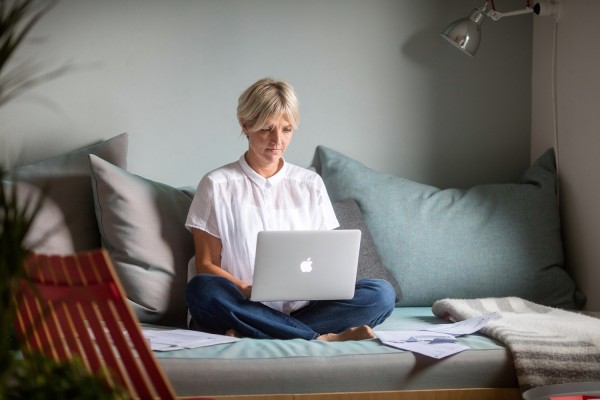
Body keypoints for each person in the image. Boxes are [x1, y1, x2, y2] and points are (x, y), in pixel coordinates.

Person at [185, 78, 395, 341]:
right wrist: (246, 289)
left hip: (303, 309)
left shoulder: (310, 184)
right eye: (266, 129)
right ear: (246, 125)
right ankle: (319, 338)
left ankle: (259, 331)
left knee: (381, 294)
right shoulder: (216, 184)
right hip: (242, 303)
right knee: (201, 290)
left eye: (286, 129)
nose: (277, 140)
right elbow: (206, 264)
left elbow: (327, 261)